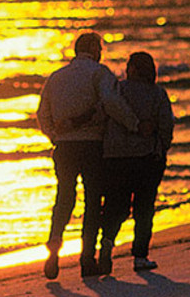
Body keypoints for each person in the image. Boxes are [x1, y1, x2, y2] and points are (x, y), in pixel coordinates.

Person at [37, 32, 139, 279]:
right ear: (93, 49)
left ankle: (53, 251)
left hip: (64, 147)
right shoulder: (99, 73)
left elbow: (42, 114)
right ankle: (87, 258)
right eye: (99, 48)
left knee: (64, 198)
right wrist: (133, 124)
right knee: (93, 201)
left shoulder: (56, 77)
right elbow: (112, 102)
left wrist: (54, 135)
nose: (101, 52)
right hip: (93, 145)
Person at [98, 52, 174, 275]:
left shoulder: (117, 90)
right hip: (145, 158)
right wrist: (162, 148)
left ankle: (107, 244)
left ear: (132, 69)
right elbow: (166, 125)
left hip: (116, 157)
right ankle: (140, 256)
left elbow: (103, 118)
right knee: (144, 207)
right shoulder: (157, 93)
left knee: (115, 205)